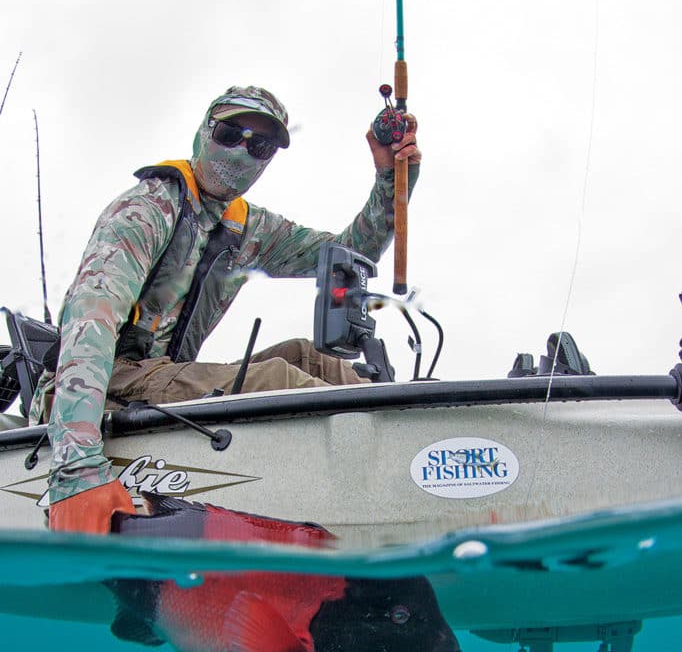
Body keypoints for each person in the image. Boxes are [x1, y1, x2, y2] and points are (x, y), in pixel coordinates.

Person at [38, 85, 421, 534]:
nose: (242, 151)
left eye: (258, 145)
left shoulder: (248, 226)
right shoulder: (145, 210)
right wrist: (76, 467)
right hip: (101, 384)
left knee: (308, 357)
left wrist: (391, 182)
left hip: (163, 376)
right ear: (203, 133)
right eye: (229, 133)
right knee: (279, 382)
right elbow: (91, 323)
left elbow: (350, 253)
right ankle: (367, 495)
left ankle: (410, 454)